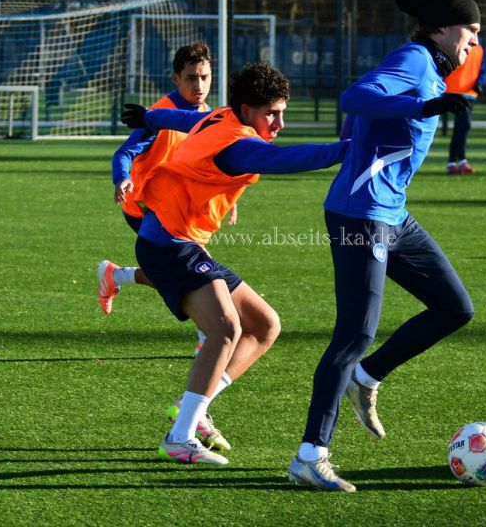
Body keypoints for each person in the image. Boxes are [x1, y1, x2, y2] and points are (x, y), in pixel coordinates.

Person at [288, 0, 479, 492]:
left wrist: (428, 105)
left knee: (455, 307)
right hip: (360, 216)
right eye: (470, 31)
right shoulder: (416, 59)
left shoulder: (432, 70)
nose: (474, 43)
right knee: (354, 332)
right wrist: (423, 107)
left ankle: (365, 379)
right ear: (442, 28)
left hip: (392, 216)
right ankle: (311, 455)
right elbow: (355, 96)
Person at [126, 62, 350, 465]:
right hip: (169, 246)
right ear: (247, 110)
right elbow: (292, 159)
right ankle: (181, 436)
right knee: (226, 328)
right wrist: (347, 149)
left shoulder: (218, 116)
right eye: (272, 113)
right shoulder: (237, 145)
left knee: (265, 325)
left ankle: (191, 405)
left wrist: (147, 117)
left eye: (282, 111)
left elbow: (177, 117)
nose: (280, 121)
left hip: (181, 243)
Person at [98, 42, 215, 323]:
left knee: (180, 272)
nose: (199, 85)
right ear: (176, 79)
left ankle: (115, 275)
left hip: (181, 208)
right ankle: (209, 336)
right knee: (200, 274)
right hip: (145, 208)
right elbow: (124, 152)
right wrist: (122, 178)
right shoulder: (158, 116)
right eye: (191, 78)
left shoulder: (206, 112)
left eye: (204, 77)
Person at [444, 44, 486, 175]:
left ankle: (455, 162)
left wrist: (480, 82)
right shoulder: (456, 45)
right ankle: (457, 162)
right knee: (464, 125)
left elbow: (482, 69)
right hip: (455, 91)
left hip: (470, 93)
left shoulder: (479, 49)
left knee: (461, 128)